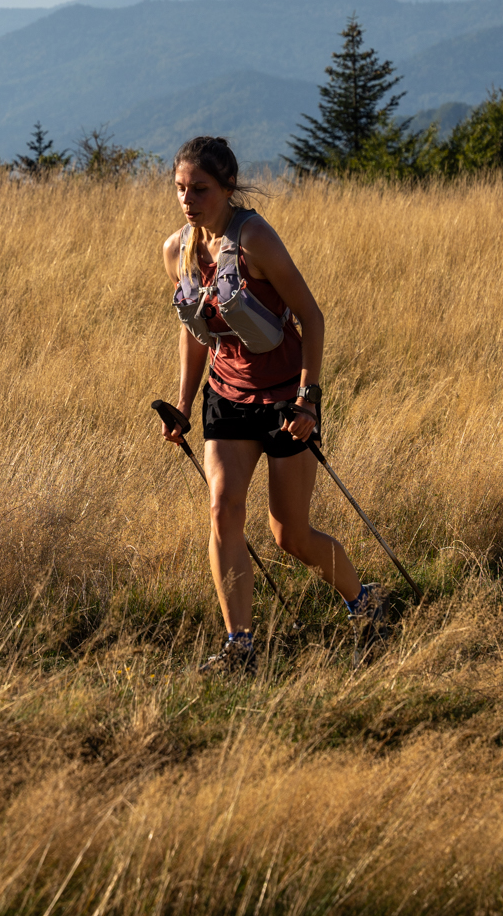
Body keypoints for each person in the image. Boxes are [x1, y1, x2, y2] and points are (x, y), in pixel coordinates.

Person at [160, 135, 379, 673]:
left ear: (228, 186)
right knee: (223, 512)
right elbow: (195, 329)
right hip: (226, 397)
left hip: (286, 402)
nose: (188, 200)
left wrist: (308, 399)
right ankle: (240, 647)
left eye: (200, 189)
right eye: (181, 189)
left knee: (290, 535)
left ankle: (366, 604)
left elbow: (312, 317)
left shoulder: (255, 238)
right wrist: (184, 404)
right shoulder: (177, 251)